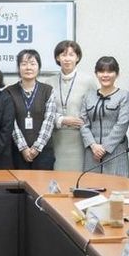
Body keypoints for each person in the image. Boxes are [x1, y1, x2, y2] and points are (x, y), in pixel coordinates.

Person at [47, 40, 97, 171]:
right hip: (56, 139)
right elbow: (44, 112)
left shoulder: (88, 81)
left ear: (77, 57)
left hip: (80, 139)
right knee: (57, 177)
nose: (67, 59)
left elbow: (94, 111)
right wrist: (62, 119)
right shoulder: (49, 82)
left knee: (78, 177)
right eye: (63, 55)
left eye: (71, 54)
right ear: (57, 58)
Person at [80, 57, 129, 176]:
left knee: (116, 185)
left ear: (117, 74)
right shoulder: (88, 96)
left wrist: (104, 148)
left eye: (110, 71)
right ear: (96, 74)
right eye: (101, 71)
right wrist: (93, 145)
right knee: (91, 184)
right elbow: (83, 122)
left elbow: (122, 124)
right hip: (92, 151)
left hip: (115, 151)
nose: (105, 75)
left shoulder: (124, 96)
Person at [5, 49, 56, 170]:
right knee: (18, 182)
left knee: (42, 182)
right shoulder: (9, 92)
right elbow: (10, 122)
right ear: (18, 68)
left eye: (33, 64)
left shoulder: (48, 90)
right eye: (24, 64)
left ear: (39, 67)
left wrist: (37, 148)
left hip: (43, 151)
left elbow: (49, 121)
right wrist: (23, 148)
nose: (28, 68)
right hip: (17, 152)